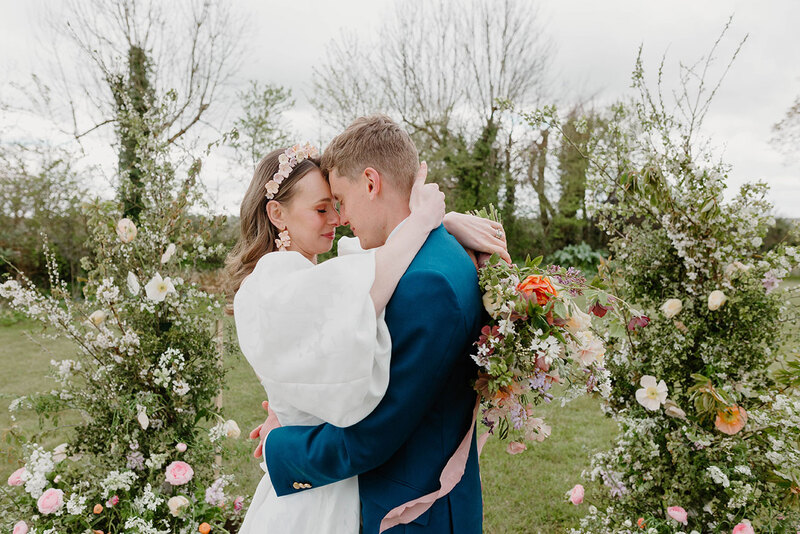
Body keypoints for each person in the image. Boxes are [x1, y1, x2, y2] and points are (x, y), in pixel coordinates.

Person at [247, 115, 507, 533]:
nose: (340, 218)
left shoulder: (426, 285)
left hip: (414, 512)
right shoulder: (434, 257)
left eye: (340, 202)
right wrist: (440, 221)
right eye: (324, 208)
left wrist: (281, 445)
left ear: (370, 183)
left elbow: (373, 434)